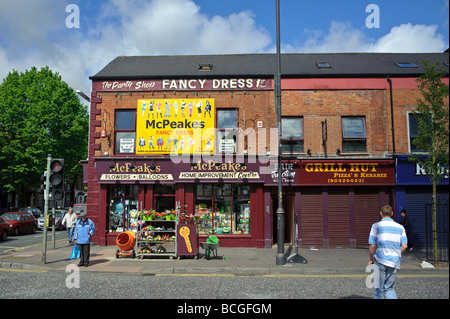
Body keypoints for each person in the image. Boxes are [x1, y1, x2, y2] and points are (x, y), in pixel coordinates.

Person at [368, 205, 408, 299]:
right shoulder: (400, 227)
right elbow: (405, 246)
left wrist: (371, 259)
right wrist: (398, 254)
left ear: (381, 213)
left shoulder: (376, 226)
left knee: (378, 289)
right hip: (394, 261)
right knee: (389, 288)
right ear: (392, 214)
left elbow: (372, 246)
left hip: (380, 260)